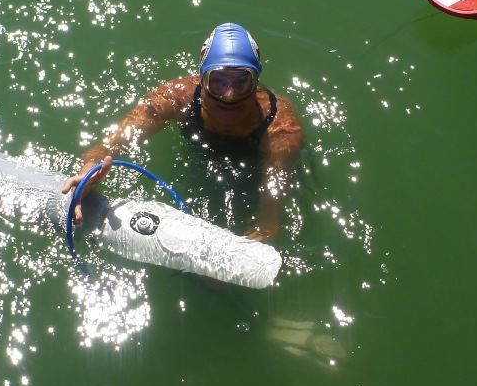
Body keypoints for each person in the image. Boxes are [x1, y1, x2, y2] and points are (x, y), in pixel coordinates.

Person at [62, 23, 304, 242]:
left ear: (256, 80)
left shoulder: (280, 128)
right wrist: (89, 173)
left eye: (242, 81)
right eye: (218, 80)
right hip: (196, 163)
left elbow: (269, 220)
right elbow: (112, 144)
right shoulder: (176, 98)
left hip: (250, 172)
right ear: (202, 77)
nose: (230, 95)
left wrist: (240, 254)